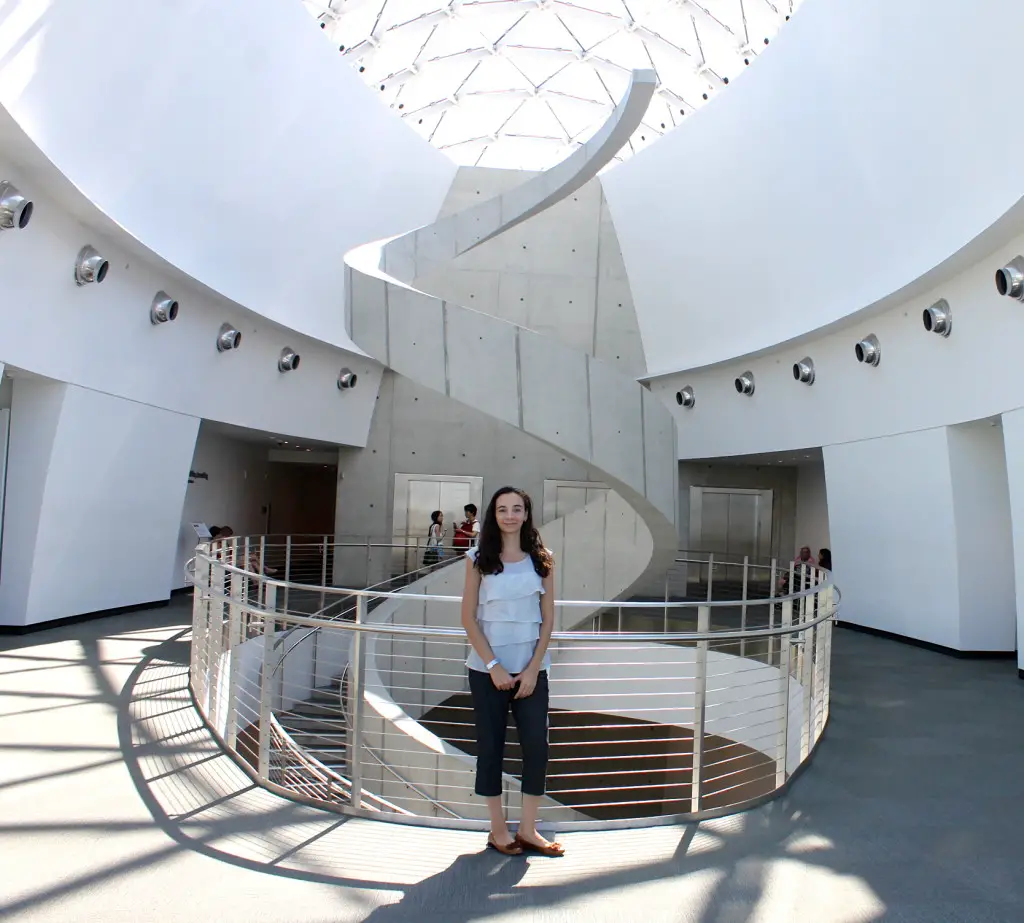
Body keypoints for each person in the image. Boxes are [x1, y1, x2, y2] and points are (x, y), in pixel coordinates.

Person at [460, 486, 563, 858]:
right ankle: (498, 829)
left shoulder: (543, 559)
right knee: (491, 748)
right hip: (486, 672)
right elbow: (468, 619)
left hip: (532, 672)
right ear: (494, 514)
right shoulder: (477, 558)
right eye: (502, 509)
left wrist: (534, 669)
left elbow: (549, 619)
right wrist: (493, 667)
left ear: (526, 514)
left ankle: (529, 829)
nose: (510, 515)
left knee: (537, 747)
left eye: (517, 508)